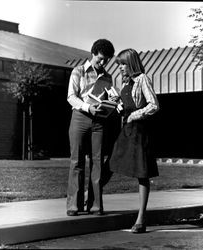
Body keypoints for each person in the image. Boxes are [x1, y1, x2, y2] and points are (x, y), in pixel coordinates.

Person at [109, 48, 160, 233]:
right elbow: (125, 110)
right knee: (110, 163)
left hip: (139, 131)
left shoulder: (143, 79)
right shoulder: (125, 83)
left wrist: (134, 115)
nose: (120, 68)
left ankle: (141, 219)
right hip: (126, 129)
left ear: (131, 63)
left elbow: (154, 105)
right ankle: (89, 199)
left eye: (123, 64)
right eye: (119, 65)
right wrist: (117, 104)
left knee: (142, 173)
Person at [66, 39, 115, 216]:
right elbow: (71, 97)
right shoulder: (78, 71)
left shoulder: (108, 77)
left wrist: (113, 103)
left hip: (99, 121)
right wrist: (88, 107)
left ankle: (95, 205)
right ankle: (73, 205)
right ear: (93, 53)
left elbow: (108, 98)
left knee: (98, 162)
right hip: (80, 117)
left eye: (107, 60)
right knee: (76, 161)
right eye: (101, 59)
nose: (103, 63)